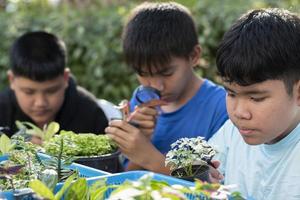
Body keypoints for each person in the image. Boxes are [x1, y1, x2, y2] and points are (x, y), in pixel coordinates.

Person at [105, 2, 228, 174]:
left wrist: (148, 155)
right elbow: (129, 176)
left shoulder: (222, 107)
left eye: (167, 73)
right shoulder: (142, 99)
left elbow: (215, 182)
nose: (155, 86)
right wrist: (139, 142)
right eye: (143, 73)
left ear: (193, 56)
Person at [208, 8, 300, 200]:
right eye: (231, 94)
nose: (240, 113)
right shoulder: (232, 133)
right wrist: (201, 172)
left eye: (256, 98)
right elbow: (199, 165)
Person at [0, 31, 108, 137]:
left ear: (66, 78)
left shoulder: (90, 113)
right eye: (29, 92)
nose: (40, 103)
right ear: (12, 80)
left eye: (51, 91)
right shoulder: (2, 110)